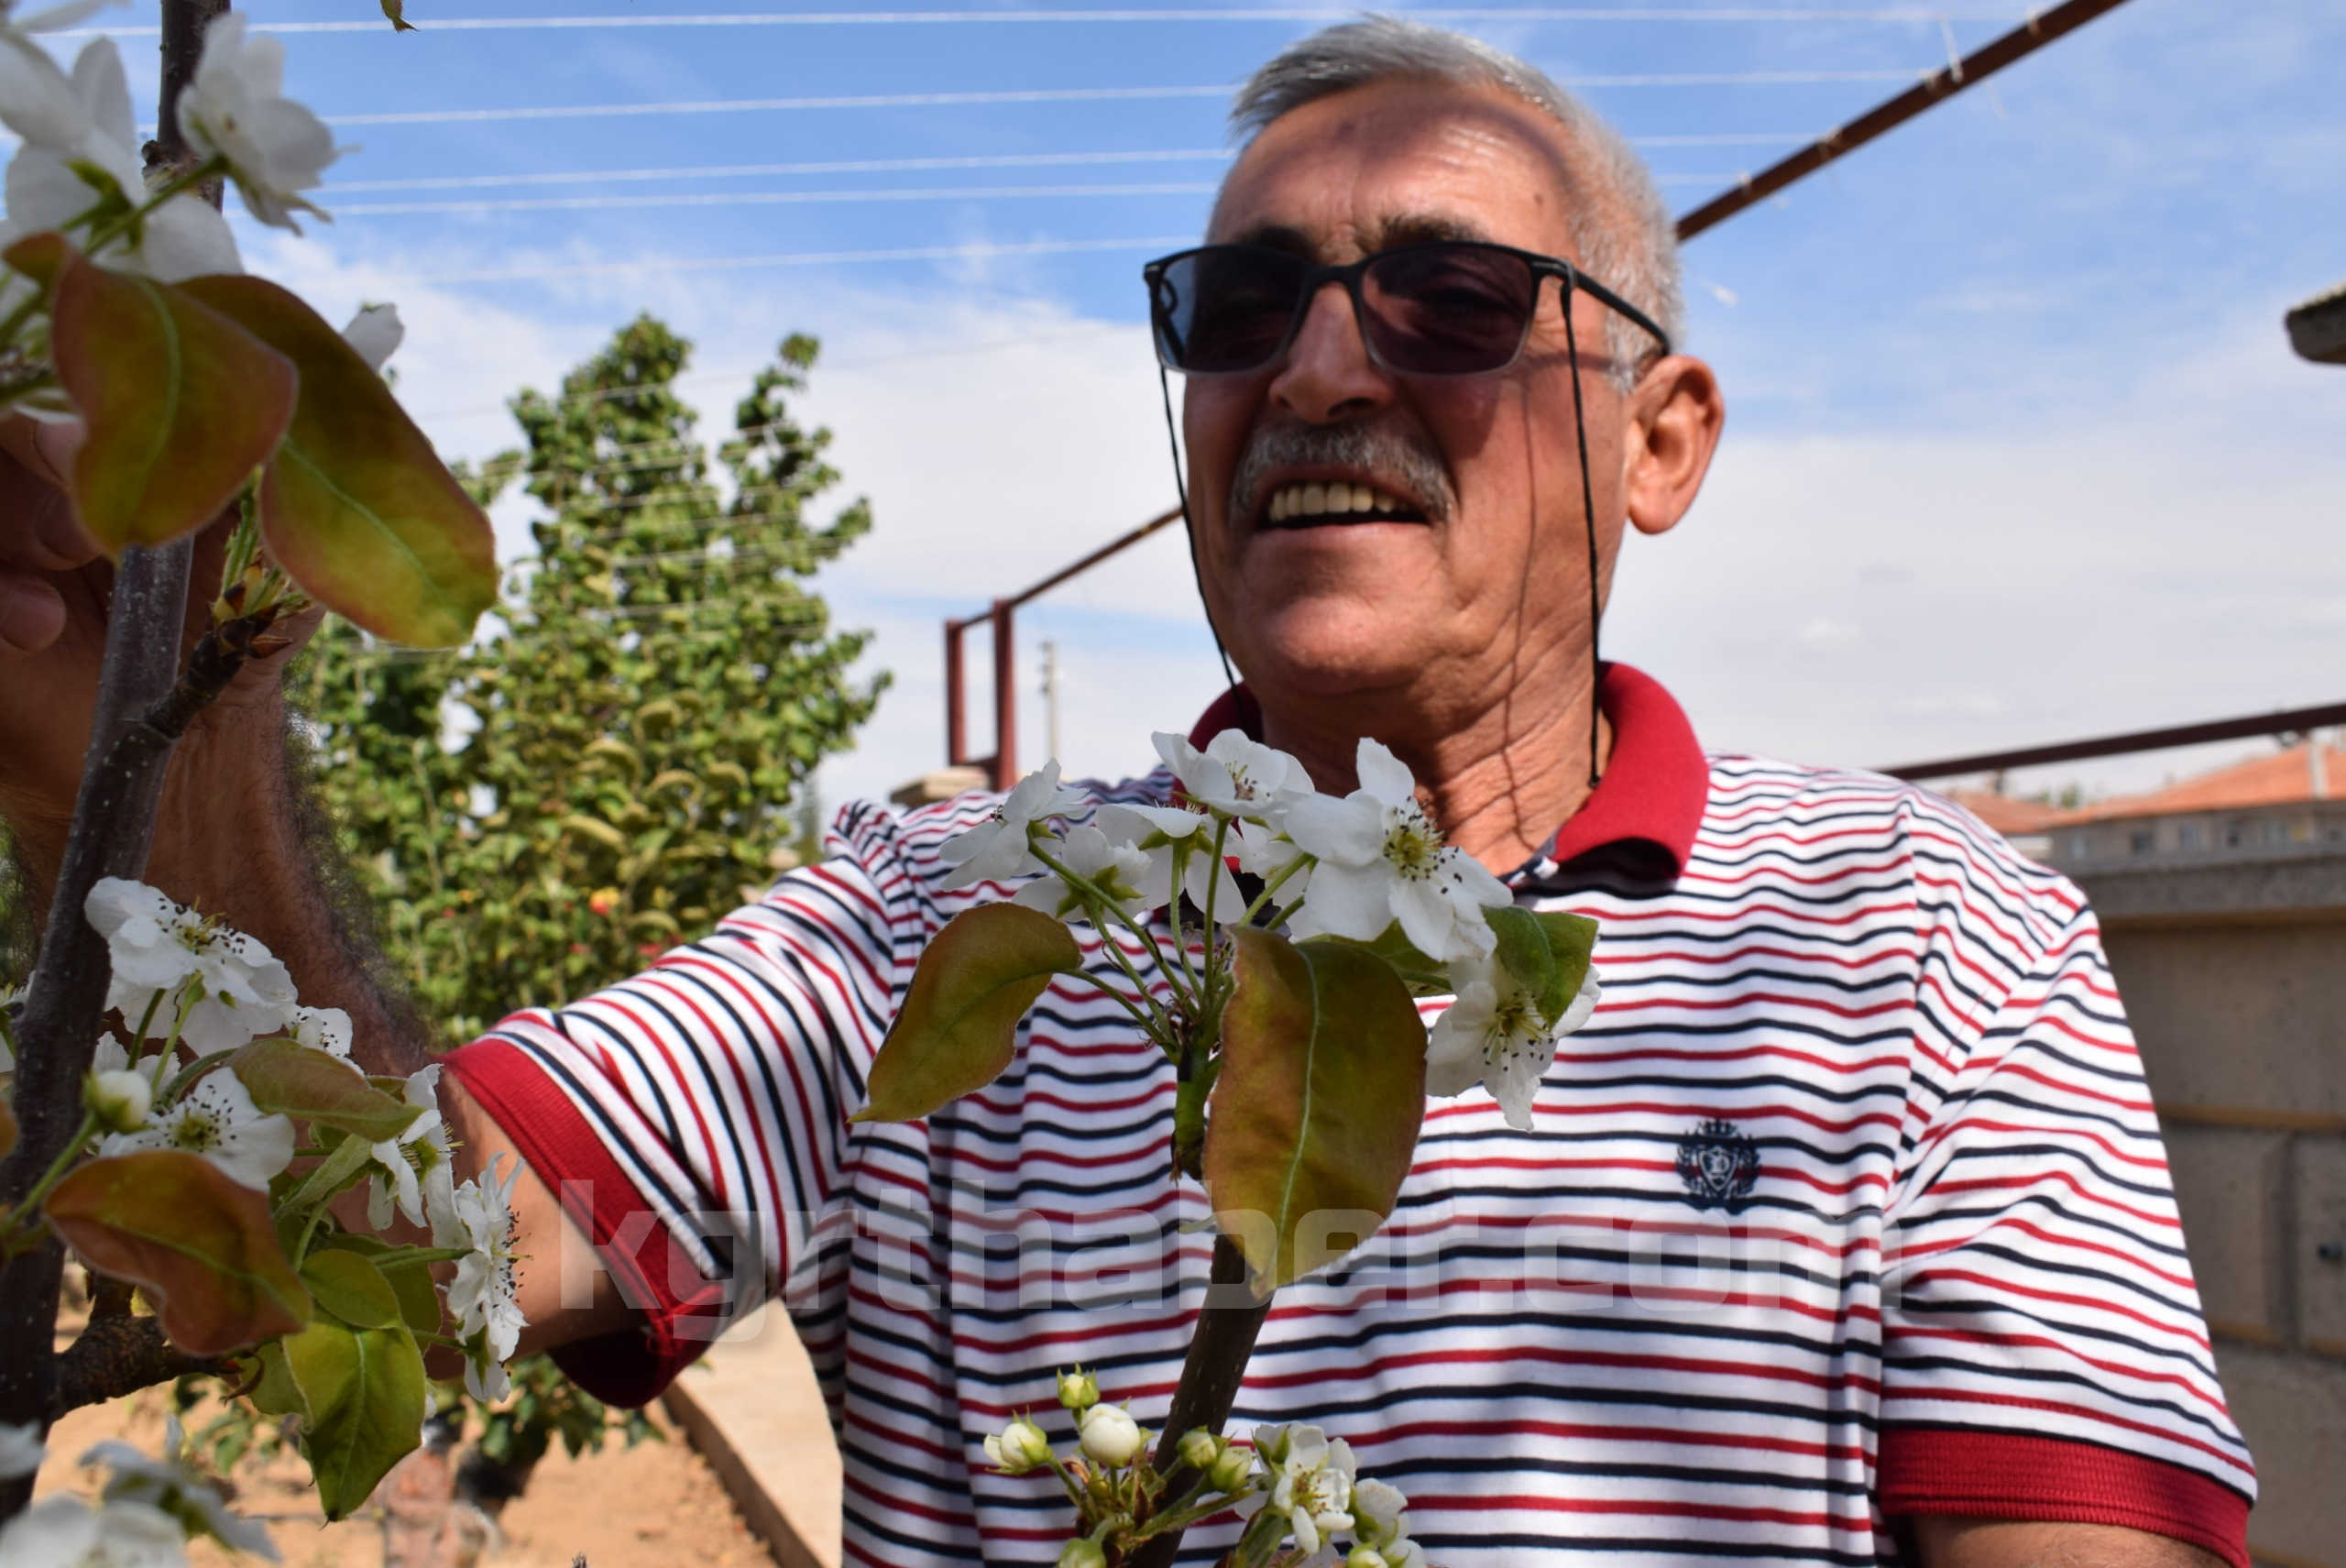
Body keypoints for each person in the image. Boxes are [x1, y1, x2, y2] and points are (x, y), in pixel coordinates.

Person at [0, 17, 2253, 1568]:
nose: (1326, 362)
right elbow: (398, 1227)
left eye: (1455, 297)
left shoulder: (1923, 932)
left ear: (1660, 437)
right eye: (1239, 302)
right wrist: (145, 697)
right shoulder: (937, 917)